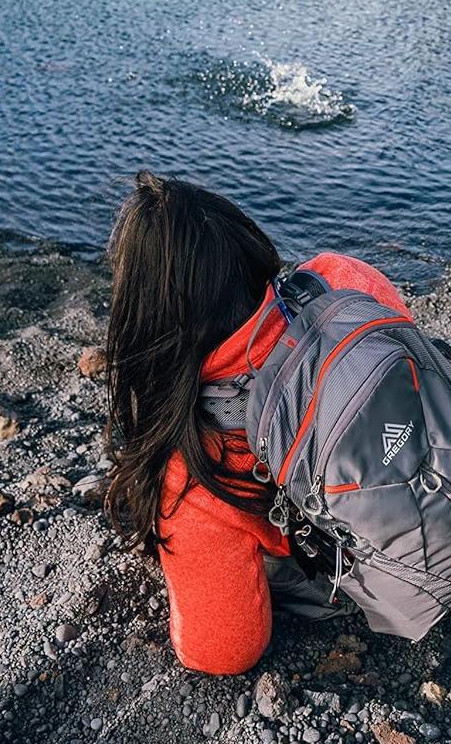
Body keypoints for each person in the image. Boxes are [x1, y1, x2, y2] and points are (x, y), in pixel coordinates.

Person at [100, 169, 409, 675]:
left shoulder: (197, 462)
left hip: (397, 576)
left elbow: (223, 652)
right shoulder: (342, 277)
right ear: (246, 243)